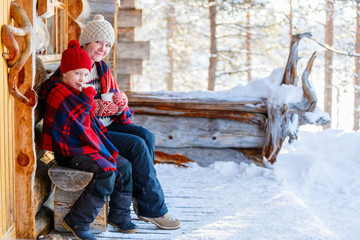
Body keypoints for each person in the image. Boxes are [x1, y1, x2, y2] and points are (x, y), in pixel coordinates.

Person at [77, 14, 181, 230]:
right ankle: (153, 209)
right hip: (90, 131)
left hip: (107, 124)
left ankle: (142, 198)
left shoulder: (102, 68)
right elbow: (70, 106)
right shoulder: (76, 67)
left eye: (107, 45)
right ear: (85, 41)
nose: (103, 49)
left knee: (146, 136)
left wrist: (120, 103)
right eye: (98, 42)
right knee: (137, 145)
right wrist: (93, 108)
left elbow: (114, 96)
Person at [39, 40, 138, 240]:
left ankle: (119, 214)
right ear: (64, 72)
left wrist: (100, 105)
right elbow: (77, 122)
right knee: (106, 172)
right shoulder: (59, 92)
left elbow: (88, 121)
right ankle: (79, 220)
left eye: (85, 74)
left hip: (85, 146)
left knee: (125, 166)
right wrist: (88, 99)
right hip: (70, 150)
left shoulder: (76, 92)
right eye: (76, 73)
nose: (81, 78)